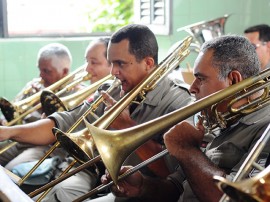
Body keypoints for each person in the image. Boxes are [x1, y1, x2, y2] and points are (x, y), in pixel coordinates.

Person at [0, 24, 193, 201]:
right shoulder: (113, 89)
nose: (113, 72)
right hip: (100, 177)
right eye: (111, 63)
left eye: (121, 64)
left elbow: (173, 172)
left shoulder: (178, 101)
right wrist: (9, 132)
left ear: (148, 63)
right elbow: (63, 122)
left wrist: (126, 126)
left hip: (142, 191)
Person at [94, 35, 270, 202]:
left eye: (200, 79)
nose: (192, 88)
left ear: (233, 80)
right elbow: (176, 187)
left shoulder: (265, 130)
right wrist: (141, 186)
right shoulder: (216, 118)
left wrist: (187, 150)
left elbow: (230, 199)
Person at [0, 43, 73, 170]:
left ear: (65, 71)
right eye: (40, 69)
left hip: (45, 145)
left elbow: (62, 131)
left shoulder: (74, 94)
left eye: (46, 71)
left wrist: (40, 107)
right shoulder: (35, 86)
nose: (41, 76)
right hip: (20, 138)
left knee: (12, 170)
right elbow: (13, 113)